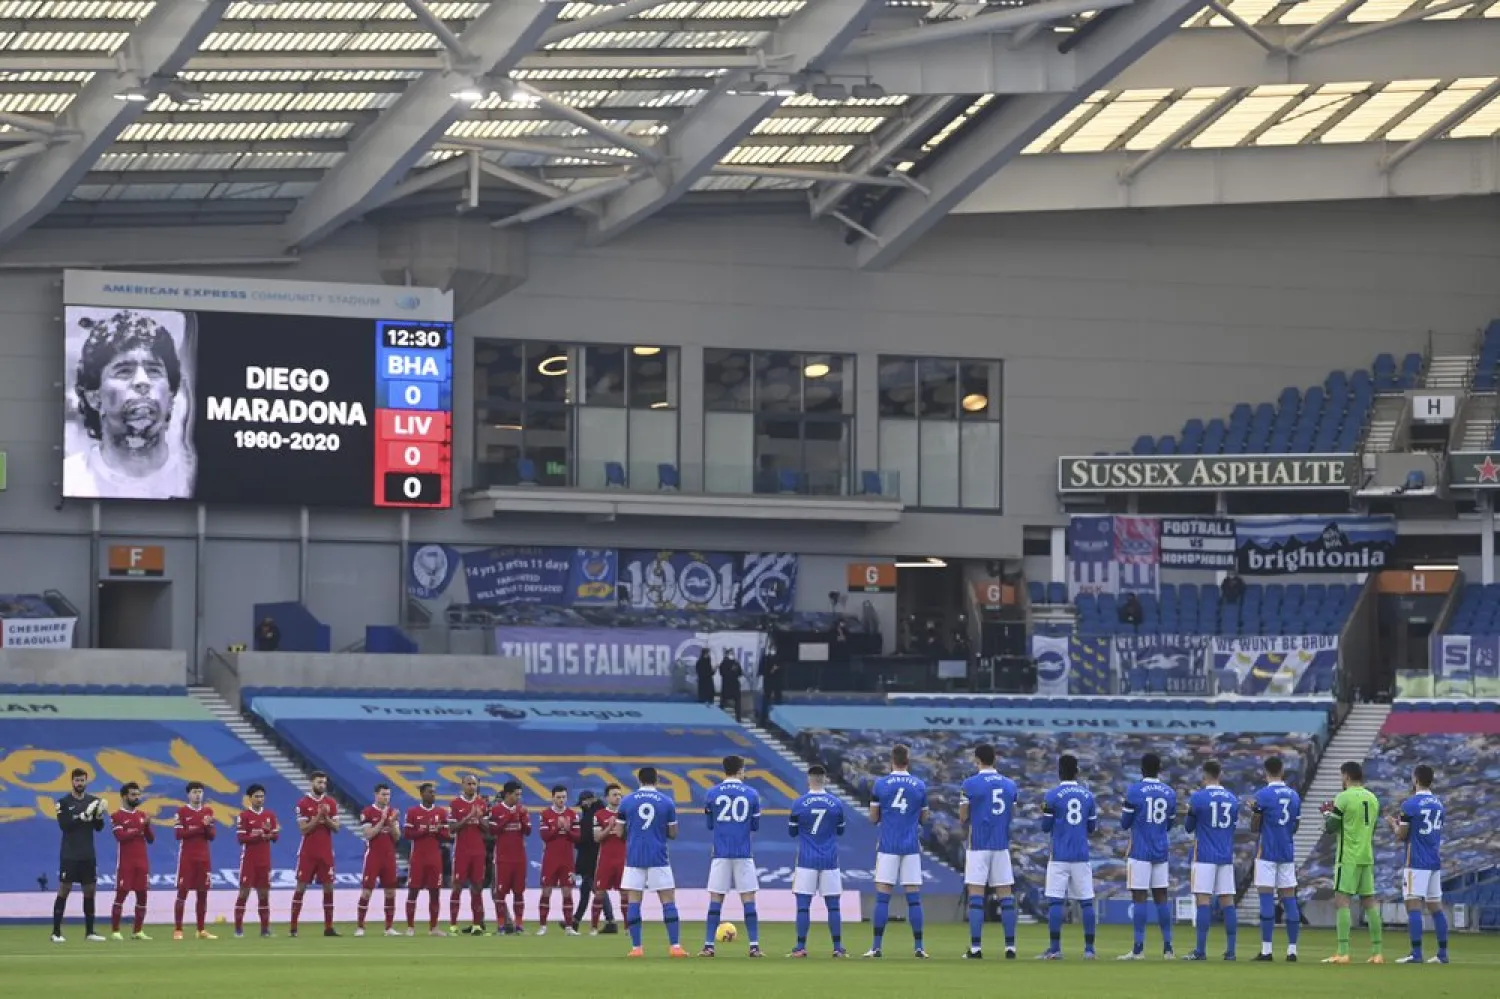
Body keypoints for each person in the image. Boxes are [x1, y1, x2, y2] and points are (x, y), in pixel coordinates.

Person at [65, 309, 194, 500]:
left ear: (171, 394)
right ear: (94, 397)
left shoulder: (194, 480)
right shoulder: (70, 481)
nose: (142, 382)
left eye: (153, 371)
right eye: (124, 371)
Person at [866, 743, 929, 959]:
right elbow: (925, 818)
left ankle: (876, 947)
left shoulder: (881, 784)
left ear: (891, 760)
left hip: (888, 845)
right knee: (914, 898)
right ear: (907, 761)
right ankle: (919, 947)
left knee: (883, 896)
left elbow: (873, 818)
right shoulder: (919, 785)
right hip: (910, 845)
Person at [616, 766, 687, 958]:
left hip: (634, 857)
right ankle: (675, 946)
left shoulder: (626, 802)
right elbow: (673, 833)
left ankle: (637, 948)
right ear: (656, 780)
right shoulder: (667, 802)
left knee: (634, 902)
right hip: (658, 856)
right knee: (668, 900)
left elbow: (618, 832)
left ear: (639, 781)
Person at [960, 743, 1019, 960]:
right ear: (995, 759)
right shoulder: (1010, 785)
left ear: (977, 760)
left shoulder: (970, 784)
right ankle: (1010, 947)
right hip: (1000, 844)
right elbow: (1011, 812)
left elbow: (963, 816)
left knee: (976, 896)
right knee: (1006, 896)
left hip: (979, 845)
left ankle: (975, 948)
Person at [702, 754, 763, 957]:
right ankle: (754, 946)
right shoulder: (752, 794)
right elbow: (755, 825)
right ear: (740, 770)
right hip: (743, 852)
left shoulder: (712, 793)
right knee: (748, 899)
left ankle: (709, 946)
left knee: (716, 899)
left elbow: (710, 825)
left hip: (720, 852)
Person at [1322, 761, 1383, 964]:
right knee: (1370, 902)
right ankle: (1377, 952)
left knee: (1342, 901)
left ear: (1346, 776)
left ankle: (1343, 951)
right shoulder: (1372, 798)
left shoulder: (1343, 797)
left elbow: (1331, 826)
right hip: (1366, 855)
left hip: (1348, 856)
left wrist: (1326, 814)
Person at [1039, 753, 1098, 960]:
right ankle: (1089, 950)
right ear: (1077, 771)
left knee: (1056, 902)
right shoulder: (1087, 796)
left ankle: (1055, 949)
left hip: (1060, 855)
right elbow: (1092, 827)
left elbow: (1045, 827)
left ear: (1059, 772)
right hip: (1081, 854)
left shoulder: (1052, 795)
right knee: (1086, 902)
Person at [1119, 752, 1176, 961]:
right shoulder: (1169, 792)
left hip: (1140, 851)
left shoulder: (1135, 791)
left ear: (1142, 769)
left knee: (1139, 897)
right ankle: (1168, 949)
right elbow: (1169, 824)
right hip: (1161, 851)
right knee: (1161, 898)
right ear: (1159, 769)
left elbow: (1124, 823)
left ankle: (1138, 950)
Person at [1391, 764, 1448, 964]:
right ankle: (1442, 954)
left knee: (1413, 906)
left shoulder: (1410, 805)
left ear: (1415, 779)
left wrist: (1393, 825)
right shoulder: (1439, 805)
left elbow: (1402, 834)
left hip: (1416, 861)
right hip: (1434, 861)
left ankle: (1416, 954)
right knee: (1436, 907)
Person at [789, 764, 846, 958]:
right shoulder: (836, 803)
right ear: (825, 780)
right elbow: (840, 831)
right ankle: (837, 948)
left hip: (807, 859)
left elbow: (792, 832)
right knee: (834, 906)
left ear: (809, 780)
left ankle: (800, 947)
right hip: (830, 859)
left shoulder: (798, 803)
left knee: (803, 905)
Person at [1185, 759, 1240, 961]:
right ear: (1220, 774)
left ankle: (1200, 950)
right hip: (1225, 855)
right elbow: (1232, 827)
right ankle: (1231, 951)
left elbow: (1189, 827)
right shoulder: (1232, 799)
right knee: (1227, 900)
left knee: (1203, 900)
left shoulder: (1198, 798)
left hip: (1204, 855)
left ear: (1204, 774)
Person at [1250, 755, 1302, 961]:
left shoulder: (1262, 795)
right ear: (1282, 771)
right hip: (1287, 852)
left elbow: (1255, 828)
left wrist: (1255, 813)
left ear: (1266, 772)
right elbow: (1295, 827)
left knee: (1266, 899)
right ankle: (1292, 950)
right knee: (1289, 900)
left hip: (1268, 852)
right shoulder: (1294, 795)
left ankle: (1266, 950)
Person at [53, 767, 107, 943]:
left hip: (87, 854)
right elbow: (65, 826)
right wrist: (83, 815)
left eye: (82, 780)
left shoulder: (93, 801)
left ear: (86, 781)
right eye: (77, 780)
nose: (79, 783)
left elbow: (99, 828)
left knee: (90, 891)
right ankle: (56, 932)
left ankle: (90, 932)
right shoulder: (63, 802)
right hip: (69, 854)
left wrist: (98, 815)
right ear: (72, 781)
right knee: (64, 890)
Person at [291, 770, 340, 938]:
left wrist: (325, 818)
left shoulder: (331, 803)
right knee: (301, 887)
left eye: (324, 783)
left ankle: (328, 927)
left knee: (328, 887)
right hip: (308, 852)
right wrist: (318, 815)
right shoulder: (303, 803)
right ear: (311, 783)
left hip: (326, 852)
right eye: (319, 782)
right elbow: (303, 830)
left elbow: (336, 828)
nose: (322, 785)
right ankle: (293, 927)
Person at [109, 782, 154, 941]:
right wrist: (137, 830)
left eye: (137, 794)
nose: (136, 797)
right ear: (124, 796)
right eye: (133, 794)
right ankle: (115, 931)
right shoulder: (116, 816)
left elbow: (151, 839)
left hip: (142, 863)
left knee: (142, 896)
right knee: (121, 896)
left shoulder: (142, 815)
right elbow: (120, 837)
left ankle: (138, 931)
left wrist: (147, 826)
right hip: (126, 863)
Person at [172, 780, 217, 941]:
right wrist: (200, 827)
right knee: (182, 893)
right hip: (187, 858)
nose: (198, 795)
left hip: (204, 858)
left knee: (202, 894)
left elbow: (212, 836)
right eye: (194, 792)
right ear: (188, 794)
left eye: (200, 792)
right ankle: (178, 929)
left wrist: (206, 827)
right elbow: (179, 835)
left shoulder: (208, 811)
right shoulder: (182, 812)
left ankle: (201, 929)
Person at [402, 782, 448, 936]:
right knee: (413, 891)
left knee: (435, 892)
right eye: (430, 792)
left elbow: (447, 836)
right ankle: (410, 927)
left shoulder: (441, 812)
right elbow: (407, 834)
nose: (433, 795)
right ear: (422, 794)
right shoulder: (412, 812)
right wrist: (424, 830)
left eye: (434, 792)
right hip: (418, 858)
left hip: (434, 858)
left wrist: (438, 831)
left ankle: (433, 928)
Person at [356, 783, 401, 937]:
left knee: (390, 892)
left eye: (388, 794)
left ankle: (389, 928)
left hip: (389, 856)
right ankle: (360, 927)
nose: (386, 797)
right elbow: (368, 834)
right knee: (367, 892)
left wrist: (392, 823)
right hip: (373, 856)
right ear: (376, 795)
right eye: (383, 794)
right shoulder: (367, 812)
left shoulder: (393, 812)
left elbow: (397, 837)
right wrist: (382, 821)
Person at [233, 784, 278, 938]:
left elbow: (276, 837)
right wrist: (260, 836)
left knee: (264, 895)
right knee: (244, 893)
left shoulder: (269, 815)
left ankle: (265, 930)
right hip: (249, 861)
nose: (260, 799)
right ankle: (238, 930)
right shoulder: (244, 816)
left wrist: (268, 834)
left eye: (262, 796)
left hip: (264, 861)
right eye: (257, 796)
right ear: (250, 798)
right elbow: (241, 838)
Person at [448, 774, 488, 935]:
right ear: (462, 785)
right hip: (462, 851)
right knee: (457, 886)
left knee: (477, 887)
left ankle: (477, 925)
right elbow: (451, 828)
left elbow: (488, 829)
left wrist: (479, 819)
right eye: (469, 783)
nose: (472, 786)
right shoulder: (455, 804)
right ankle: (453, 924)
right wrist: (468, 817)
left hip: (478, 852)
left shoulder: (482, 804)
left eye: (474, 784)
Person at [538, 784, 581, 935]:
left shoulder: (573, 814)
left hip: (567, 858)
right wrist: (557, 827)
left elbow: (578, 838)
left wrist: (568, 829)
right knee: (546, 891)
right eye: (558, 797)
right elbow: (545, 837)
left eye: (563, 797)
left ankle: (569, 927)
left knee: (567, 892)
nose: (561, 800)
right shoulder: (545, 814)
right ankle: (543, 926)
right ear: (553, 797)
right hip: (551, 858)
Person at [490, 780, 531, 934]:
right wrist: (509, 816)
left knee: (519, 892)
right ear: (507, 794)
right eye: (516, 794)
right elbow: (494, 830)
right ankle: (501, 926)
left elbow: (528, 831)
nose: (518, 797)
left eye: (520, 794)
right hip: (502, 858)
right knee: (500, 893)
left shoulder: (522, 810)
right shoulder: (496, 810)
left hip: (519, 858)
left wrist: (521, 819)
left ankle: (519, 926)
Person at [589, 784, 625, 935]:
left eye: (619, 795)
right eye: (614, 794)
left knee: (625, 894)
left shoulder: (626, 814)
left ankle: (628, 928)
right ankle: (594, 927)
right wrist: (609, 828)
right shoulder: (599, 815)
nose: (617, 797)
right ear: (607, 797)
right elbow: (597, 838)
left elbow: (629, 836)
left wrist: (622, 831)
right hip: (605, 859)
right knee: (599, 893)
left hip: (623, 858)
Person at [759, 648, 783, 726]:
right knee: (766, 701)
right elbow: (762, 670)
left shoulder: (779, 658)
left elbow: (782, 668)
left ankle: (778, 720)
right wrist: (770, 671)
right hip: (768, 681)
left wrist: (777, 668)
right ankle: (763, 721)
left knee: (778, 701)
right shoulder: (765, 658)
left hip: (777, 682)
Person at [718, 651, 743, 722]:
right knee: (727, 702)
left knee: (727, 702)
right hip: (730, 685)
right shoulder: (727, 663)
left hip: (731, 685)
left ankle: (737, 718)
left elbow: (740, 673)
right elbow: (722, 673)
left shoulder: (733, 663)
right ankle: (737, 718)